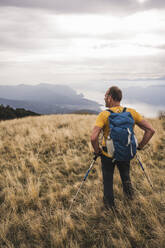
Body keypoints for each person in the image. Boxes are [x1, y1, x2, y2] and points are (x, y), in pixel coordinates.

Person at [91, 86, 155, 210]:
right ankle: (130, 200)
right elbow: (150, 130)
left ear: (110, 98)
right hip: (126, 151)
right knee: (126, 177)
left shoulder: (104, 115)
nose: (104, 98)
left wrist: (97, 150)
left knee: (108, 181)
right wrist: (139, 147)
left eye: (105, 96)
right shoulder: (131, 112)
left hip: (108, 154)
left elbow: (93, 138)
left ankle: (110, 208)